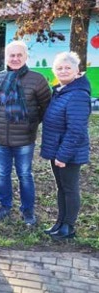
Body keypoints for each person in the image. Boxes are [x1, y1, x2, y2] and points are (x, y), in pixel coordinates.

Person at [0, 40, 51, 225]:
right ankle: (5, 205)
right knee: (2, 174)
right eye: (11, 55)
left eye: (19, 55)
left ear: (26, 57)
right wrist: (1, 120)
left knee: (25, 175)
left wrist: (31, 122)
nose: (15, 58)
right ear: (6, 57)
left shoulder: (37, 79)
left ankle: (27, 210)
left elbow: (46, 107)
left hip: (25, 139)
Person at [40, 52, 91, 239]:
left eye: (67, 67)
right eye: (59, 68)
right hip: (58, 150)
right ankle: (60, 222)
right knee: (61, 188)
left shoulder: (77, 94)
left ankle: (68, 227)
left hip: (68, 153)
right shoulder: (61, 91)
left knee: (69, 189)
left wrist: (63, 155)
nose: (63, 71)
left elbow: (76, 130)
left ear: (77, 71)